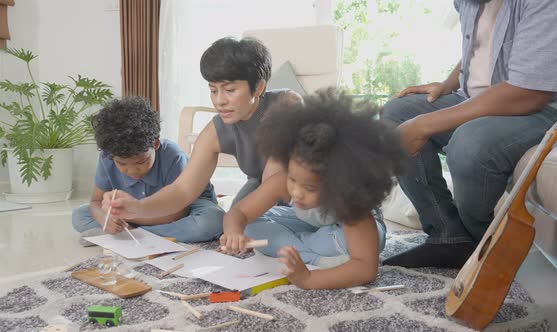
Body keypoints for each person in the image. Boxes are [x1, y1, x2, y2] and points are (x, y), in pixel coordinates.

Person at [381, 0, 557, 268]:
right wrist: (449, 82)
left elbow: (530, 92)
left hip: (552, 107)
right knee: (397, 113)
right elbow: (484, 40)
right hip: (481, 98)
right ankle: (448, 237)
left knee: (471, 144)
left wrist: (423, 125)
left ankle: (484, 247)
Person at [103, 37, 302, 226]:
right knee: (234, 224)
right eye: (213, 90)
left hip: (304, 184)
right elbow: (182, 190)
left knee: (248, 223)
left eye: (230, 90)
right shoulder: (215, 131)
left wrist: (241, 217)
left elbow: (274, 178)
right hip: (259, 183)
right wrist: (138, 208)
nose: (219, 101)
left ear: (258, 87)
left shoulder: (286, 104)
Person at [220, 89, 407, 289]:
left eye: (309, 187)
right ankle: (314, 254)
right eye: (293, 179)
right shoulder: (284, 181)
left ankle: (312, 258)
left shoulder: (352, 202)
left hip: (345, 235)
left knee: (345, 243)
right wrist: (233, 232)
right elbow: (239, 212)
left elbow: (366, 269)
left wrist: (308, 279)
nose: (297, 192)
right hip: (311, 229)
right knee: (250, 226)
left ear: (338, 181)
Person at [72, 96, 224, 244]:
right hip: (137, 211)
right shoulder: (107, 156)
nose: (132, 171)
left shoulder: (173, 156)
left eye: (141, 161)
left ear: (156, 144)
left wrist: (129, 216)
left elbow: (177, 213)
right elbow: (96, 201)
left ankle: (132, 235)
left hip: (184, 207)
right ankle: (141, 234)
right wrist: (105, 219)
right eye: (122, 164)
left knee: (211, 221)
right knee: (79, 216)